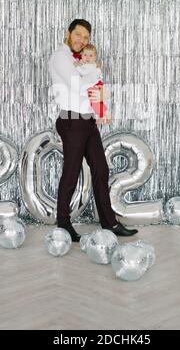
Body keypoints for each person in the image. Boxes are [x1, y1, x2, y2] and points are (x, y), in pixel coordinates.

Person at [48, 18, 138, 241]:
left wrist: (100, 96)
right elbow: (77, 86)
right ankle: (63, 224)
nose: (82, 40)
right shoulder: (61, 56)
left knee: (101, 169)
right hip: (72, 122)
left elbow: (88, 88)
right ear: (68, 33)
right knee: (71, 172)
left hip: (87, 121)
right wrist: (97, 76)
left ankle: (110, 223)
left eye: (86, 37)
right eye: (78, 35)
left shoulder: (79, 60)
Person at [73, 42, 112, 122]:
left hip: (94, 85)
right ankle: (103, 114)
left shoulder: (90, 66)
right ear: (81, 55)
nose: (87, 58)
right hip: (94, 84)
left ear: (95, 57)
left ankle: (104, 113)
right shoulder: (90, 64)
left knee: (94, 101)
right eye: (85, 55)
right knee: (95, 102)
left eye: (90, 56)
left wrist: (76, 65)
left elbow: (83, 72)